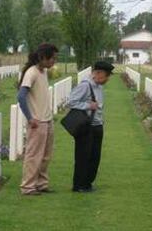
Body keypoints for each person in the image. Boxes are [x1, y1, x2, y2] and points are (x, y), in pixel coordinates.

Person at [17, 43, 58, 196]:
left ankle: (41, 184)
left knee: (46, 156)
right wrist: (30, 118)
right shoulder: (31, 73)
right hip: (37, 121)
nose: (54, 61)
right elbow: (21, 96)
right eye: (52, 58)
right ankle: (28, 187)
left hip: (47, 120)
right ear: (42, 57)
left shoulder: (43, 72)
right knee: (34, 155)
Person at [67, 61, 114, 193]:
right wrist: (88, 106)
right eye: (106, 75)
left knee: (95, 157)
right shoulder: (85, 86)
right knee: (83, 156)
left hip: (97, 125)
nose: (107, 79)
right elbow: (71, 102)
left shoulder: (99, 87)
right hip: (86, 127)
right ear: (97, 73)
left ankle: (87, 183)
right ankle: (79, 185)